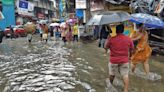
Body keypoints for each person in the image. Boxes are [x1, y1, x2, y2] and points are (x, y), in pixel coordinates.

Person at [105, 24, 134, 92]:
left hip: (113, 61)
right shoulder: (128, 39)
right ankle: (126, 89)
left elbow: (106, 47)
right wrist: (130, 57)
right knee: (125, 75)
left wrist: (108, 39)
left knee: (112, 74)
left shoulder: (111, 39)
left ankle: (110, 86)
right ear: (123, 30)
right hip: (124, 61)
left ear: (116, 31)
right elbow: (132, 49)